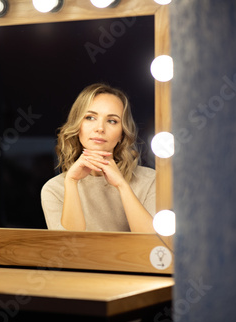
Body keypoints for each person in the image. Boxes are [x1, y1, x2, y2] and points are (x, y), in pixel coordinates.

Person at [41, 83, 156, 232]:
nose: (100, 128)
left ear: (122, 133)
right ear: (77, 126)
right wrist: (71, 182)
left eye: (112, 121)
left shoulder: (150, 180)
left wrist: (122, 185)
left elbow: (153, 246)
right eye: (90, 117)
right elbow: (68, 248)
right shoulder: (54, 189)